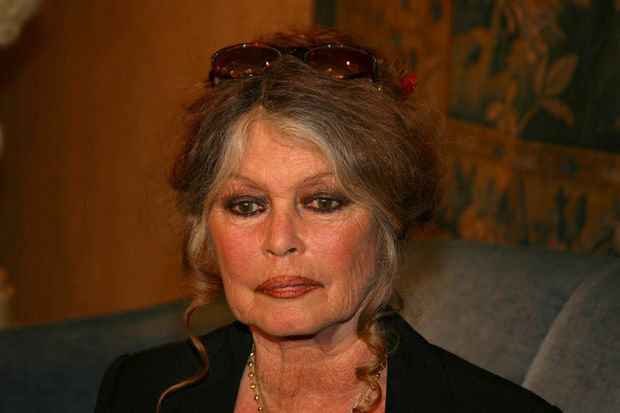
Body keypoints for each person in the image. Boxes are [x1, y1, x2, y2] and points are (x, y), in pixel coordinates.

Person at [95, 28, 561, 413]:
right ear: (205, 231)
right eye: (247, 206)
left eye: (323, 202)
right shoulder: (140, 391)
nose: (280, 239)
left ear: (387, 221)